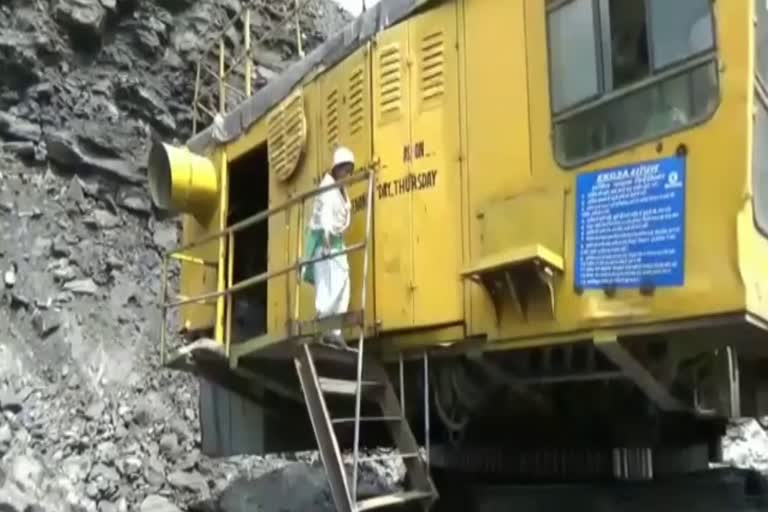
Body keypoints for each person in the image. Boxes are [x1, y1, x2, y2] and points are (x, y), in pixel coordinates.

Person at [301, 146, 355, 347]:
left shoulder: (342, 190)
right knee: (328, 288)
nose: (347, 175)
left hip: (337, 244)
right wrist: (324, 241)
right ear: (336, 169)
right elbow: (324, 216)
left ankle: (334, 331)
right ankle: (321, 326)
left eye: (349, 171)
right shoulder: (327, 187)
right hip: (324, 244)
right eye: (344, 170)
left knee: (343, 283)